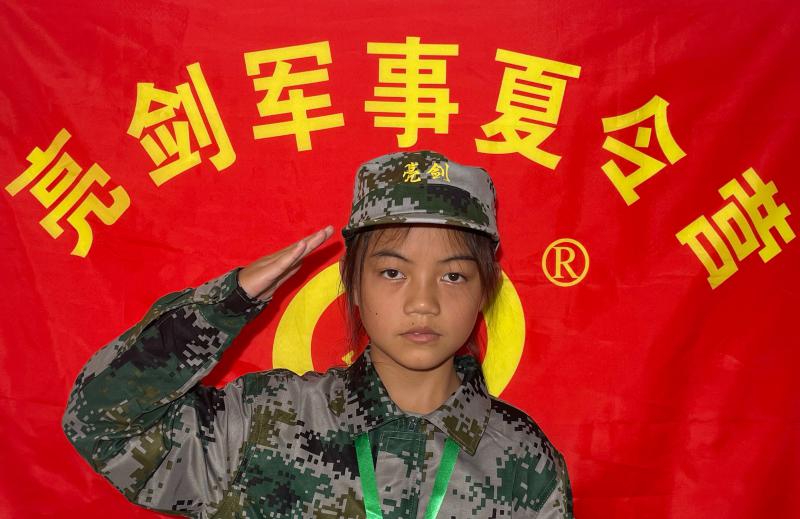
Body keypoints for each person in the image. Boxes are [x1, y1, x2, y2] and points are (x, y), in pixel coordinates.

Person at [63, 150, 574, 518]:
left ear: (486, 290)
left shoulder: (523, 460)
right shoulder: (264, 423)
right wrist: (225, 304)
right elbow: (102, 426)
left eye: (454, 276)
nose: (423, 302)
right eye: (392, 272)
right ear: (353, 283)